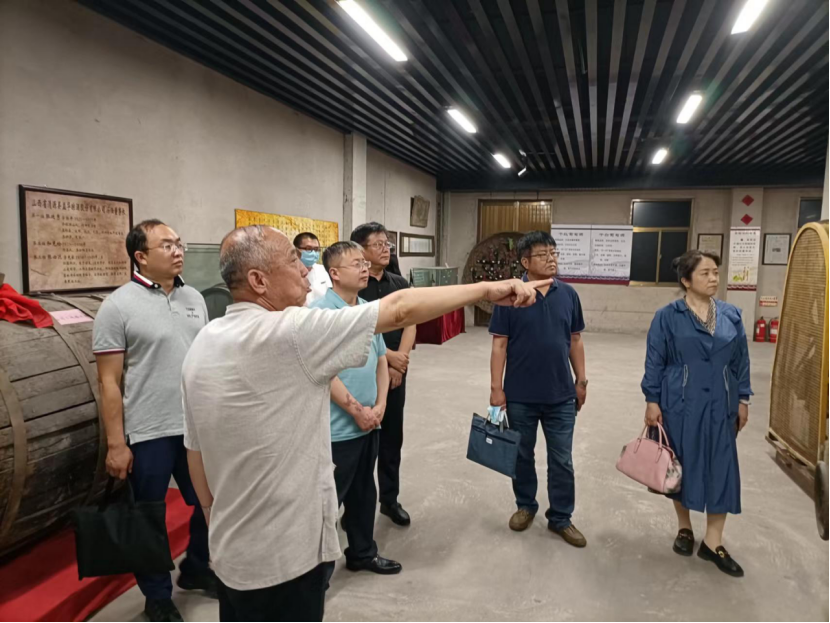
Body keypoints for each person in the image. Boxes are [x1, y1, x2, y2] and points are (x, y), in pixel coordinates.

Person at [181, 225, 549, 623]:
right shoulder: (289, 333)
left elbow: (195, 450)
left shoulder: (205, 340)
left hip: (233, 552)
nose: (305, 269)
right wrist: (487, 289)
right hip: (285, 557)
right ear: (258, 281)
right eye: (292, 259)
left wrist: (213, 517)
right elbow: (401, 309)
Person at [93, 220, 215, 623]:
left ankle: (196, 567)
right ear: (141, 256)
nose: (178, 250)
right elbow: (109, 382)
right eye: (167, 245)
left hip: (195, 426)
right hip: (149, 431)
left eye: (179, 243)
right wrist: (117, 443)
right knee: (150, 516)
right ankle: (157, 596)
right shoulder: (117, 306)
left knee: (209, 502)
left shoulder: (194, 297)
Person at [642, 250, 752, 578]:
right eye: (705, 273)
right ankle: (685, 528)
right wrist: (652, 399)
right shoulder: (667, 316)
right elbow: (655, 360)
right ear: (686, 281)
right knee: (681, 465)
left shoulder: (731, 315)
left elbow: (741, 361)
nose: (713, 278)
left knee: (721, 466)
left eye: (715, 272)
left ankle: (713, 542)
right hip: (680, 403)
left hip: (721, 403)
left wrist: (743, 399)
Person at [489, 231, 589, 548]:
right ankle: (525, 506)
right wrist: (496, 389)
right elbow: (499, 345)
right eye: (543, 254)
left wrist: (581, 380)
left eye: (553, 253)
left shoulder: (568, 294)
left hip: (561, 395)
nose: (551, 259)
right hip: (520, 395)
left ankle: (561, 517)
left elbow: (575, 340)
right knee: (522, 455)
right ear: (525, 261)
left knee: (562, 460)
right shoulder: (510, 297)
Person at [310, 241, 402, 576]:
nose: (365, 268)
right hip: (337, 429)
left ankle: (362, 552)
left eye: (365, 262)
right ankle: (316, 574)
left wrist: (380, 405)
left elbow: (381, 360)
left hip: (370, 422)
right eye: (356, 264)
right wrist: (356, 411)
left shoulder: (367, 310)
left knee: (364, 492)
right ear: (334, 273)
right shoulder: (320, 314)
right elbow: (324, 372)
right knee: (328, 502)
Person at [351, 222, 415, 527]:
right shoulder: (354, 287)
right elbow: (355, 330)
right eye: (378, 244)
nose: (385, 249)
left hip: (396, 373)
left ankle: (390, 500)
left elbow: (411, 322)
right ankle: (353, 506)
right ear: (361, 250)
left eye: (387, 243)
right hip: (361, 373)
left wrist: (400, 363)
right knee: (361, 443)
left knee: (392, 438)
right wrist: (388, 358)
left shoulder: (399, 283)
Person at [295, 232, 331, 305]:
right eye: (308, 249)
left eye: (316, 249)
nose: (313, 253)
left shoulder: (324, 270)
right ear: (296, 250)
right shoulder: (288, 272)